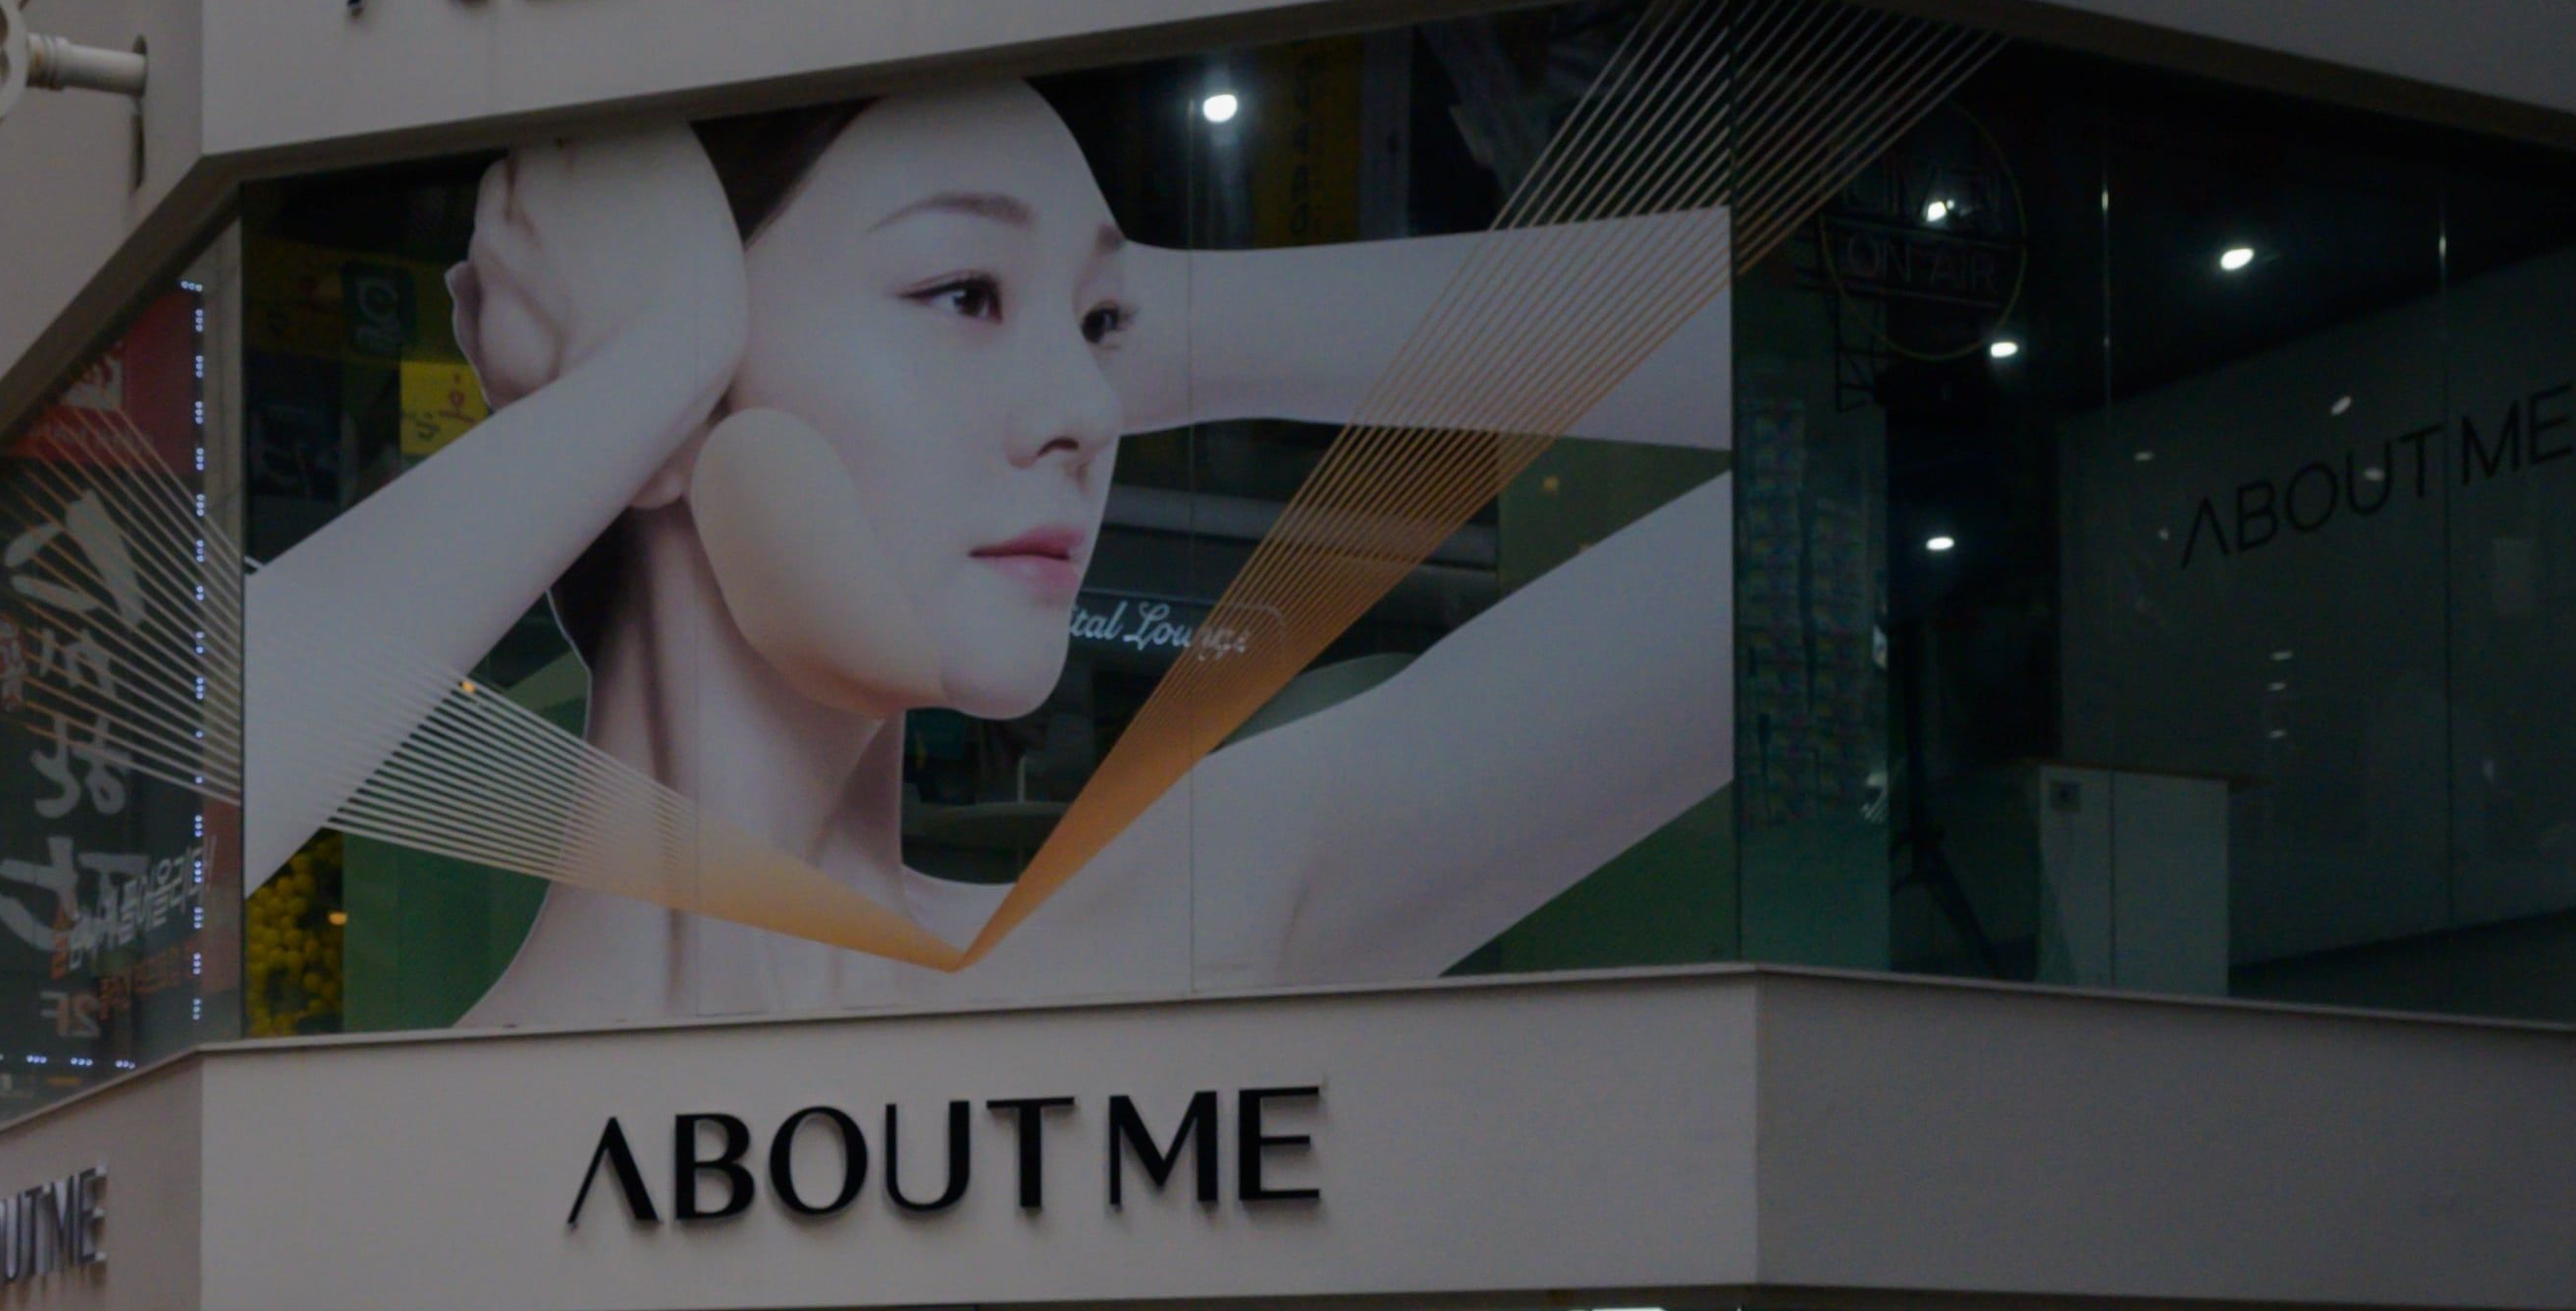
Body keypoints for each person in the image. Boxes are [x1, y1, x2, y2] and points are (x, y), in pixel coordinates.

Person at [237, 91, 1731, 1031]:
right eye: (961, 290)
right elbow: (183, 785)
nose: (1088, 415)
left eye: (1091, 334)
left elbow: (1796, 383)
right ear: (684, 399)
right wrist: (650, 373)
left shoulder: (1176, 927)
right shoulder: (412, 1128)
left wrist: (1184, 328)